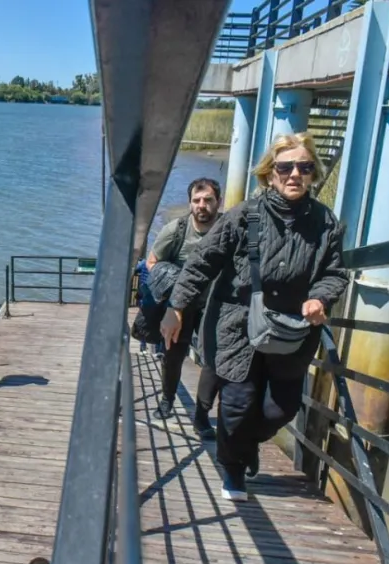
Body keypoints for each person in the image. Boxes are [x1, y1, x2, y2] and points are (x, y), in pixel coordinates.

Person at [160, 133, 349, 502]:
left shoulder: (324, 222)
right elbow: (201, 263)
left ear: (313, 173)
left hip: (292, 330)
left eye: (304, 167)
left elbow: (335, 272)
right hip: (237, 323)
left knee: (281, 409)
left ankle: (246, 443)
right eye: (285, 167)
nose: (294, 174)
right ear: (270, 173)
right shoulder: (244, 215)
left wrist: (320, 297)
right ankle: (233, 470)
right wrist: (176, 308)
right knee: (236, 403)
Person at [146, 177, 224, 437]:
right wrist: (174, 287)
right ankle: (167, 399)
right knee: (173, 355)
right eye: (196, 200)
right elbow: (152, 262)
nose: (202, 205)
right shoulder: (175, 230)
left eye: (208, 200)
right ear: (190, 203)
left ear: (218, 202)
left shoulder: (229, 229)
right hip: (180, 306)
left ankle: (201, 416)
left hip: (215, 306)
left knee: (214, 360)